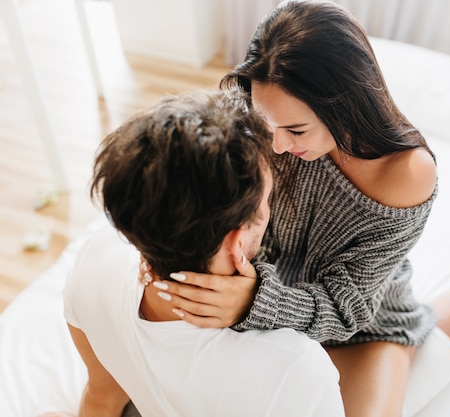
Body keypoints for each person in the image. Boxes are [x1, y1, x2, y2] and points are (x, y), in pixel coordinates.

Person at [140, 2, 450, 416]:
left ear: (343, 103)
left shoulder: (407, 171)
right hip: (265, 289)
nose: (277, 146)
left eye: (297, 131)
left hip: (359, 319)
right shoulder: (257, 116)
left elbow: (349, 308)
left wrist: (254, 302)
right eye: (268, 127)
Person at [53, 89, 345, 417]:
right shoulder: (295, 368)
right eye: (266, 204)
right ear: (235, 244)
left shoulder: (94, 259)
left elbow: (101, 396)